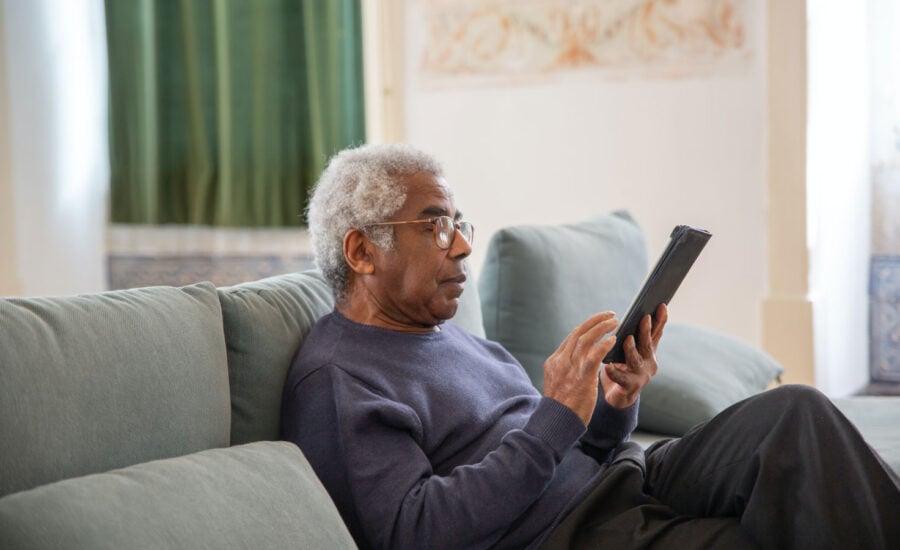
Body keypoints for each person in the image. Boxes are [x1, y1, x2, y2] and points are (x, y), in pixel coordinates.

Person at [281, 143, 900, 549]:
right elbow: (411, 531)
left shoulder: (466, 346)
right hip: (569, 532)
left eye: (458, 224)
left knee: (794, 413)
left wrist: (612, 403)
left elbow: (580, 447)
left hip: (625, 477)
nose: (462, 245)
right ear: (362, 250)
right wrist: (552, 419)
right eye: (435, 224)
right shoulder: (340, 377)